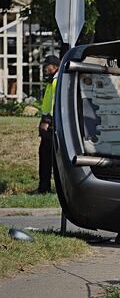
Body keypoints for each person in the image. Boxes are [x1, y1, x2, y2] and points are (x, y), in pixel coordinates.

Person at [36, 55, 60, 194]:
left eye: (47, 65)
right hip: (49, 124)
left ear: (55, 66)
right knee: (45, 156)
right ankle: (43, 187)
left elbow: (54, 105)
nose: (45, 68)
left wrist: (47, 121)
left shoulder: (56, 81)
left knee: (47, 158)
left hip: (52, 125)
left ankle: (44, 188)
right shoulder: (51, 81)